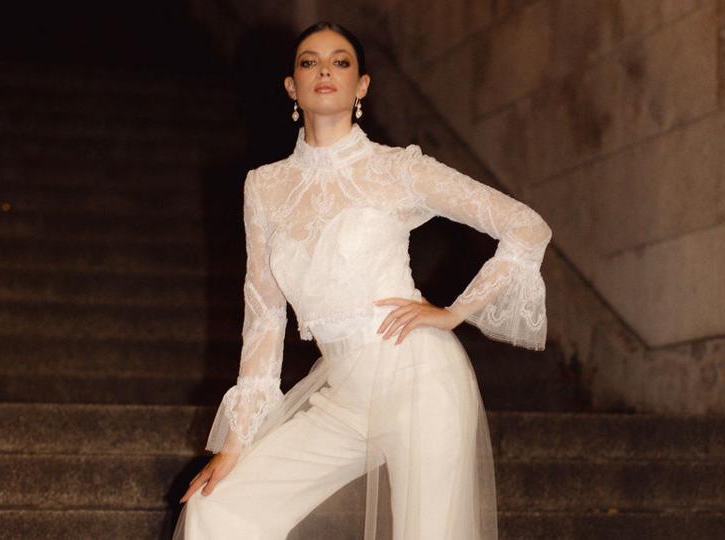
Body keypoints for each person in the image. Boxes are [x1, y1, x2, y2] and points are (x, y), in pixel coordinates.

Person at [173, 20, 552, 540]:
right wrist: (235, 446)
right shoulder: (264, 187)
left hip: (420, 380)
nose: (324, 69)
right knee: (221, 506)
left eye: (340, 61)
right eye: (309, 61)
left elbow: (526, 227)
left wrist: (453, 313)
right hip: (343, 395)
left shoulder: (395, 169)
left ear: (362, 85)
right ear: (292, 86)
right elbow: (263, 318)